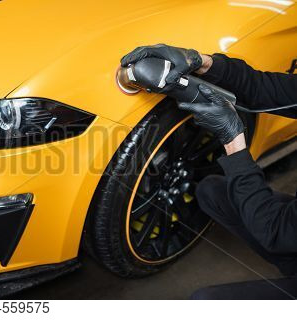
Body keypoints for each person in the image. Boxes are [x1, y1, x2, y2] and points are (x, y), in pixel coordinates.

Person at [121, 44, 297, 299]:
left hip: (280, 230)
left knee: (205, 303)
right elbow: (261, 87)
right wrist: (198, 61)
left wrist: (233, 140)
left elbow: (273, 230)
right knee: (211, 191)